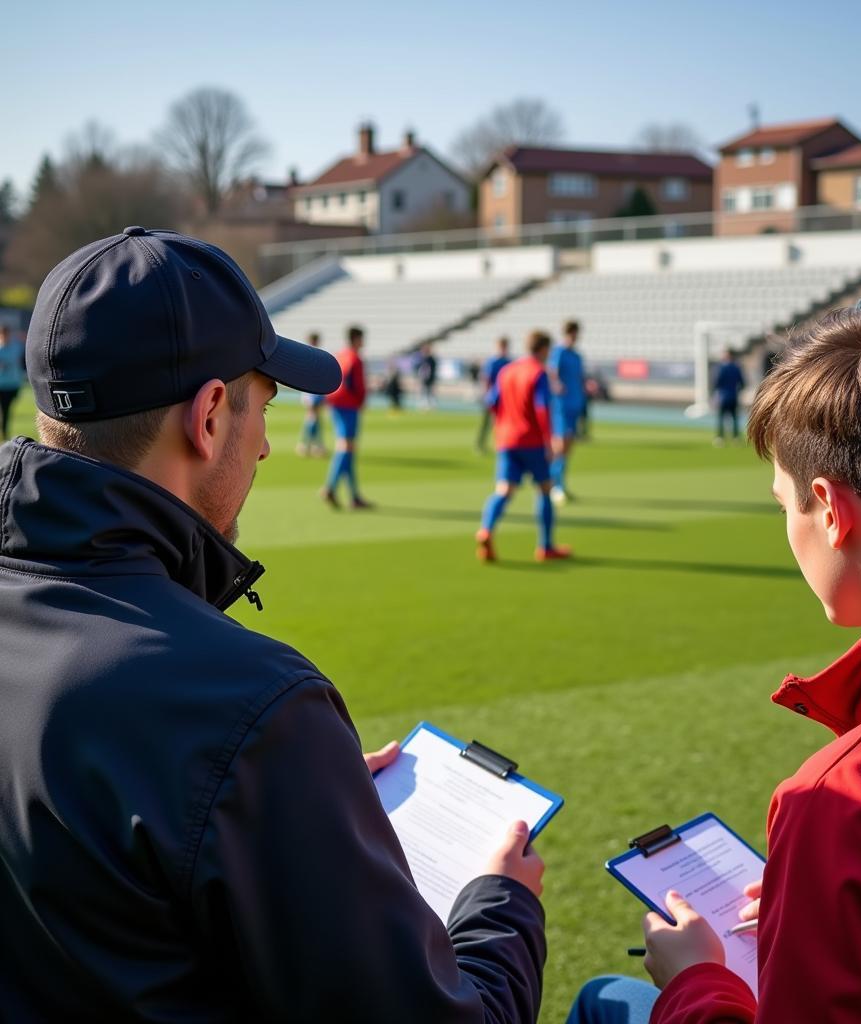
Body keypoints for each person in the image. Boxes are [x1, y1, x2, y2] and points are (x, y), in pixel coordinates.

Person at [0, 227, 548, 1021]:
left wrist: (275, 803)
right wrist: (501, 906)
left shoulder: (243, 738)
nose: (264, 446)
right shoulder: (248, 706)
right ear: (211, 415)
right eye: (266, 407)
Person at [567, 299, 861, 1023]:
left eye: (785, 505)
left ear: (830, 509)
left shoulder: (850, 800)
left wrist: (695, 985)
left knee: (605, 1001)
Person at [476, 330, 571, 563]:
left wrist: (504, 424)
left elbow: (492, 402)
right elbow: (541, 408)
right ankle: (546, 546)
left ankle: (486, 529)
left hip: (507, 439)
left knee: (504, 490)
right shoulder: (538, 373)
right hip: (532, 440)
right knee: (545, 489)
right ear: (544, 349)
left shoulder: (507, 371)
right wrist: (550, 440)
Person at [322, 324, 373, 509]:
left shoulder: (340, 355)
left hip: (335, 402)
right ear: (357, 339)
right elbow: (358, 385)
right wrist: (362, 401)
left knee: (348, 448)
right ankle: (330, 486)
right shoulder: (355, 358)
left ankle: (354, 496)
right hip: (349, 405)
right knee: (346, 447)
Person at [548, 320, 585, 504]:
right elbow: (552, 372)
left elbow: (579, 377)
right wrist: (556, 385)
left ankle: (559, 483)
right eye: (573, 333)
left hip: (575, 404)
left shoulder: (577, 356)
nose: (576, 336)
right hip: (561, 405)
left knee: (568, 448)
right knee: (559, 446)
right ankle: (554, 484)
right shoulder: (559, 352)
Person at [477, 336, 511, 452]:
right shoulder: (493, 362)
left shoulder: (508, 362)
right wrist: (486, 394)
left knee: (500, 422)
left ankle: (500, 443)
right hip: (491, 396)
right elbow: (486, 379)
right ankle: (480, 443)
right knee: (486, 422)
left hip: (504, 397)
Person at [295, 330, 327, 456]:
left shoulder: (311, 354)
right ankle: (308, 445)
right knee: (313, 418)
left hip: (313, 391)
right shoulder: (312, 355)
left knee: (314, 418)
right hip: (312, 392)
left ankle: (311, 445)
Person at [712, 349, 745, 446]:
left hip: (723, 396)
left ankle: (720, 437)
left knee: (721, 418)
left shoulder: (721, 368)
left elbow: (716, 382)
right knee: (734, 418)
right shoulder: (736, 368)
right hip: (733, 396)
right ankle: (736, 437)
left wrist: (716, 394)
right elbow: (742, 383)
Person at [0, 324, 25, 440]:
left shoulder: (16, 347)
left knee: (6, 410)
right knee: (4, 411)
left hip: (12, 385)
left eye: (7, 334)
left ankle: (4, 433)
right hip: (1, 385)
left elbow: (26, 342)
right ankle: (4, 433)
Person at [417, 341, 438, 409]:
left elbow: (430, 369)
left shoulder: (431, 359)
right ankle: (424, 404)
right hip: (424, 378)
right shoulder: (423, 359)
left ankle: (431, 405)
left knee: (430, 391)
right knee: (424, 391)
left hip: (430, 378)